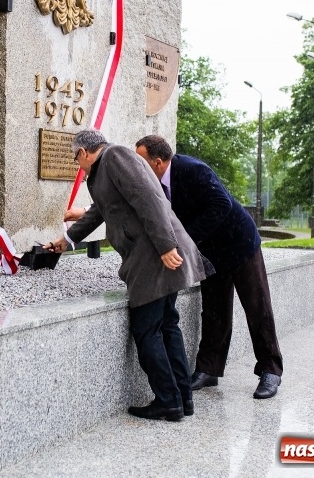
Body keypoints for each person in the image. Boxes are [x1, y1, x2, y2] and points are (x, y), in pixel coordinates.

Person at [66, 135, 284, 399]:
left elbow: (221, 204)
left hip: (239, 243)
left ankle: (270, 369)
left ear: (157, 162)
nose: (135, 165)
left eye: (140, 160)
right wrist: (85, 214)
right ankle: (209, 368)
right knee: (214, 311)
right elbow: (126, 196)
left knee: (257, 307)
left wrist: (183, 240)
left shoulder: (192, 169)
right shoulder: (153, 180)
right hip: (209, 252)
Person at [45, 130, 212, 421]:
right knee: (168, 326)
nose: (77, 164)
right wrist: (66, 240)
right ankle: (182, 399)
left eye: (76, 158)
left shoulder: (116, 156)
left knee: (147, 330)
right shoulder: (103, 170)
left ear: (84, 152)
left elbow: (149, 198)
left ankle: (168, 400)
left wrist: (165, 245)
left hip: (155, 255)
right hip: (154, 253)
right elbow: (100, 211)